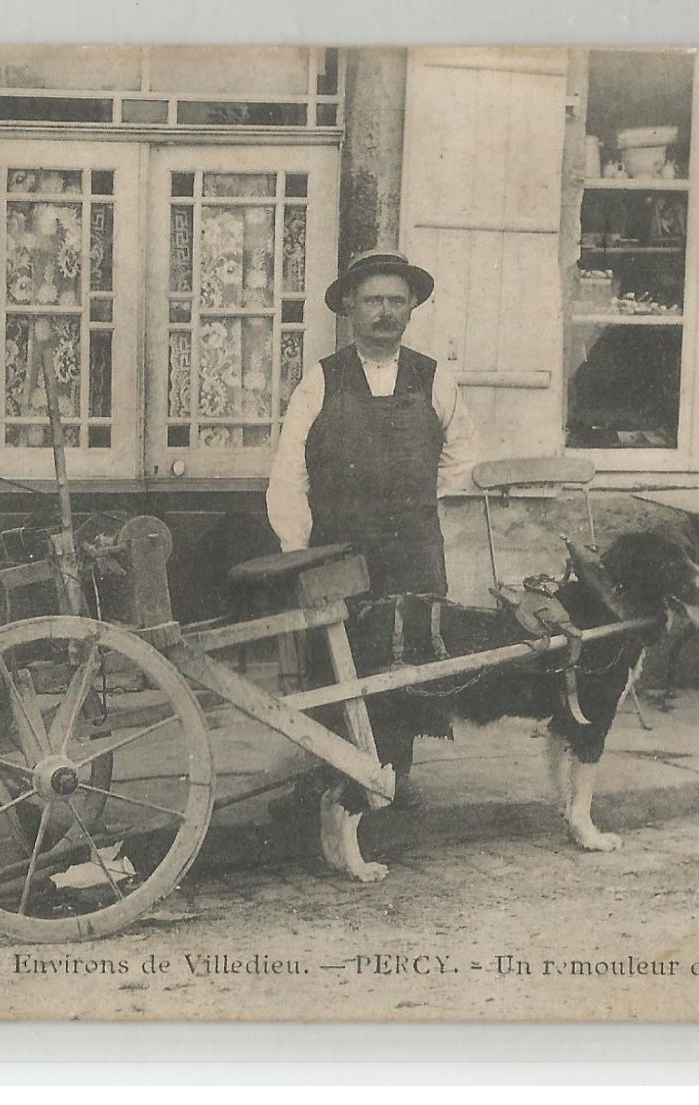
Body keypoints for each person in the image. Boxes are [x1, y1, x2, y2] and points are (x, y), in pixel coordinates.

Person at [266, 249, 475, 869]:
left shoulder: (434, 378)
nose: (385, 312)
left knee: (412, 658)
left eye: (396, 300)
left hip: (412, 550)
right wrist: (299, 552)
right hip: (339, 550)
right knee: (342, 663)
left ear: (411, 309)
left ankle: (396, 773)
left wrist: (418, 506)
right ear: (350, 309)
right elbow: (289, 471)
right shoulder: (321, 380)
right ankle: (332, 780)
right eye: (373, 300)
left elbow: (462, 458)